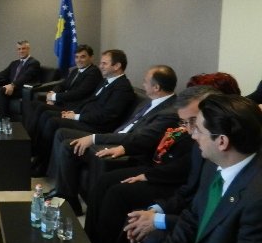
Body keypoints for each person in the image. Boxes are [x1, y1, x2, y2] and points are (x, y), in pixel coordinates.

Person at [111, 95, 262, 243]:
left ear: (222, 142)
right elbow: (190, 219)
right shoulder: (213, 164)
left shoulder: (256, 197)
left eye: (198, 130)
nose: (193, 135)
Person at [122, 73, 242, 243]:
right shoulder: (200, 149)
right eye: (185, 123)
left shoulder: (238, 166)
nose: (191, 132)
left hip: (208, 239)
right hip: (187, 214)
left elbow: (215, 221)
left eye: (194, 122)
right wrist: (156, 211)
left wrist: (159, 220)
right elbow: (191, 192)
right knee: (132, 221)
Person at [48, 65, 179, 215]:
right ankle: (64, 193)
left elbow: (140, 139)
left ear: (156, 87)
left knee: (69, 145)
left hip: (129, 150)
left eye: (145, 81)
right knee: (66, 138)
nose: (143, 84)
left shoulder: (169, 112)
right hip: (117, 136)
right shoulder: (150, 101)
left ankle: (69, 200)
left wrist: (95, 138)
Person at [30, 49, 135, 176]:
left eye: (104, 63)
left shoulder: (122, 88)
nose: (100, 66)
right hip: (86, 118)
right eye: (101, 63)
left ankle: (42, 166)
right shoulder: (106, 81)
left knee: (53, 122)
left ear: (117, 66)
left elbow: (106, 116)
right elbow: (90, 101)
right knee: (47, 115)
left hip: (98, 127)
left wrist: (77, 117)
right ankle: (37, 157)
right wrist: (73, 112)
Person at [23, 44, 101, 138]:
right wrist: (52, 94)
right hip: (64, 103)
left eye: (82, 57)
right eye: (76, 57)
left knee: (42, 109)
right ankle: (27, 136)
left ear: (91, 57)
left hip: (74, 108)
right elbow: (62, 85)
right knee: (34, 104)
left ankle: (30, 138)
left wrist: (54, 97)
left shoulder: (94, 72)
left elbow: (78, 93)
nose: (78, 60)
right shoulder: (75, 71)